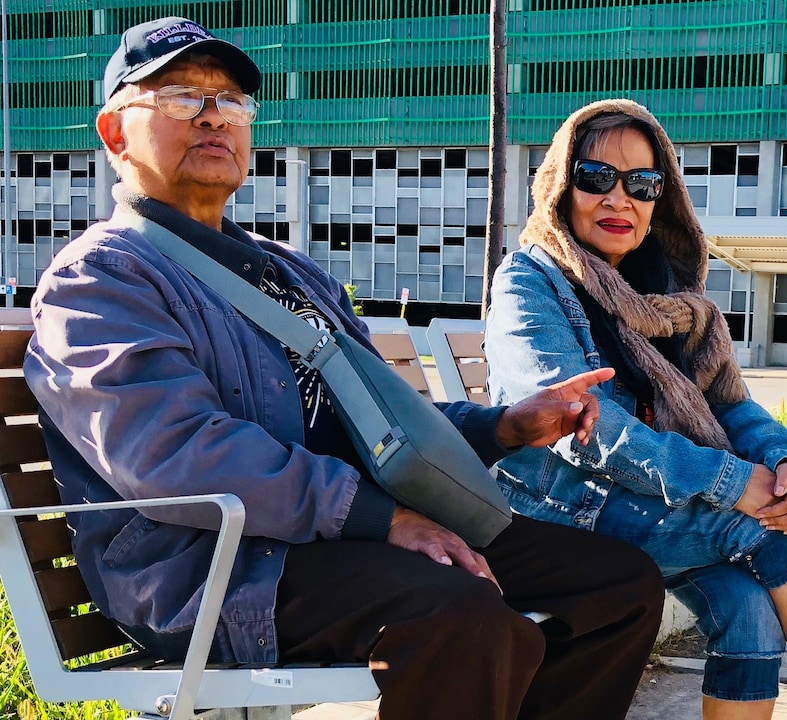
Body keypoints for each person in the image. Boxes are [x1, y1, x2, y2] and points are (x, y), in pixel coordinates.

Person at [23, 23, 666, 720]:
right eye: (181, 99)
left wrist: (505, 428)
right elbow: (173, 454)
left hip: (337, 538)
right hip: (216, 571)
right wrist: (380, 518)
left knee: (618, 583)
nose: (214, 116)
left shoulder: (289, 273)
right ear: (115, 133)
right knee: (460, 614)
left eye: (232, 101)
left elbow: (384, 421)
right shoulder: (101, 280)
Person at [484, 99, 787, 720]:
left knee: (748, 608)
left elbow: (728, 405)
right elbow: (581, 426)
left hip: (642, 503)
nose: (618, 198)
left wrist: (784, 460)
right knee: (756, 530)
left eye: (642, 182)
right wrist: (735, 483)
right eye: (596, 177)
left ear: (663, 198)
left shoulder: (667, 298)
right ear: (560, 184)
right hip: (554, 509)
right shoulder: (529, 282)